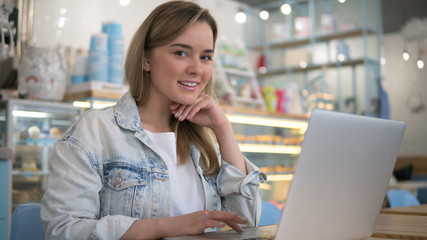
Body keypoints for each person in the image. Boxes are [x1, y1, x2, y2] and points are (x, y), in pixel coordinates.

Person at [41, 1, 266, 239]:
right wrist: (166, 226)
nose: (197, 69)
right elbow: (63, 230)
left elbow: (246, 224)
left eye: (206, 57)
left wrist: (223, 128)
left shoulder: (204, 141)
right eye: (181, 53)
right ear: (146, 59)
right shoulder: (95, 131)